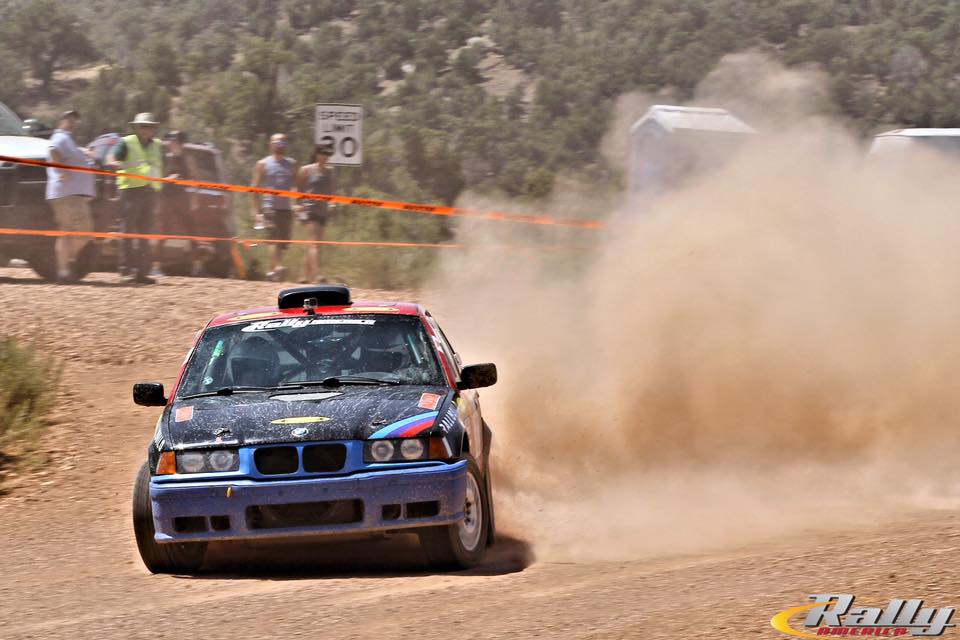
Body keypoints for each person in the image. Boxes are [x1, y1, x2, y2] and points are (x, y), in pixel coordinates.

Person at [108, 112, 163, 284]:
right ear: (137, 128)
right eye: (143, 126)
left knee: (145, 234)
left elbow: (161, 167)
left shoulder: (158, 146)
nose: (146, 129)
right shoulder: (127, 142)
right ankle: (126, 271)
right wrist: (118, 164)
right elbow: (110, 158)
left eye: (150, 126)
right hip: (130, 192)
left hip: (150, 193)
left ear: (154, 129)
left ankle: (141, 272)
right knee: (128, 233)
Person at [45, 110, 95, 283]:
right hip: (69, 194)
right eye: (69, 118)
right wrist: (63, 170)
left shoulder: (69, 140)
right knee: (84, 232)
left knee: (66, 233)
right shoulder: (61, 137)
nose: (73, 122)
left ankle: (64, 270)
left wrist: (84, 154)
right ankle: (66, 265)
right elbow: (53, 150)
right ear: (62, 120)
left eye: (75, 119)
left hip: (68, 194)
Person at [152, 131, 201, 277]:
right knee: (163, 232)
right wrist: (168, 178)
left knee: (191, 231)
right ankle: (156, 266)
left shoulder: (188, 159)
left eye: (172, 140)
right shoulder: (166, 158)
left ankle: (196, 266)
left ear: (180, 142)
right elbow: (157, 178)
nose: (170, 143)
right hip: (166, 198)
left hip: (182, 198)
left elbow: (195, 179)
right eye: (169, 140)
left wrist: (194, 197)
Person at [251, 133, 298, 281]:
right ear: (271, 145)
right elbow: (254, 188)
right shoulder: (263, 164)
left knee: (282, 242)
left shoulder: (292, 163)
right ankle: (278, 267)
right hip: (269, 206)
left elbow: (296, 185)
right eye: (277, 144)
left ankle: (271, 272)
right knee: (273, 239)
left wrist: (296, 203)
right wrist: (256, 210)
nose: (279, 147)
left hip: (286, 207)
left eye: (282, 144)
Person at [295, 144, 336, 283]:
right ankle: (318, 275)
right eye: (323, 153)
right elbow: (297, 188)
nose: (325, 156)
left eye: (327, 154)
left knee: (315, 244)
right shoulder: (306, 170)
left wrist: (332, 202)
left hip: (323, 210)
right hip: (309, 209)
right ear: (317, 154)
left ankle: (304, 276)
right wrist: (297, 204)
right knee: (314, 243)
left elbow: (331, 190)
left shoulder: (330, 171)